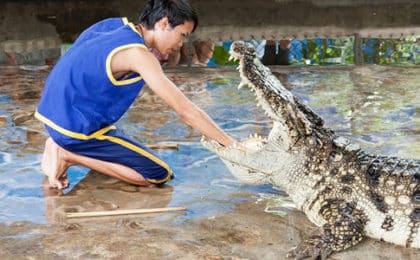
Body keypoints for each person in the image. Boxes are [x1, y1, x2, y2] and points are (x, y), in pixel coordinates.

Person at [35, 0, 235, 190]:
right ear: (164, 23)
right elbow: (185, 110)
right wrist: (232, 145)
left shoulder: (112, 25)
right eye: (182, 35)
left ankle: (61, 144)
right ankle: (66, 154)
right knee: (157, 174)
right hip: (73, 130)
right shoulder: (139, 55)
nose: (181, 44)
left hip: (53, 116)